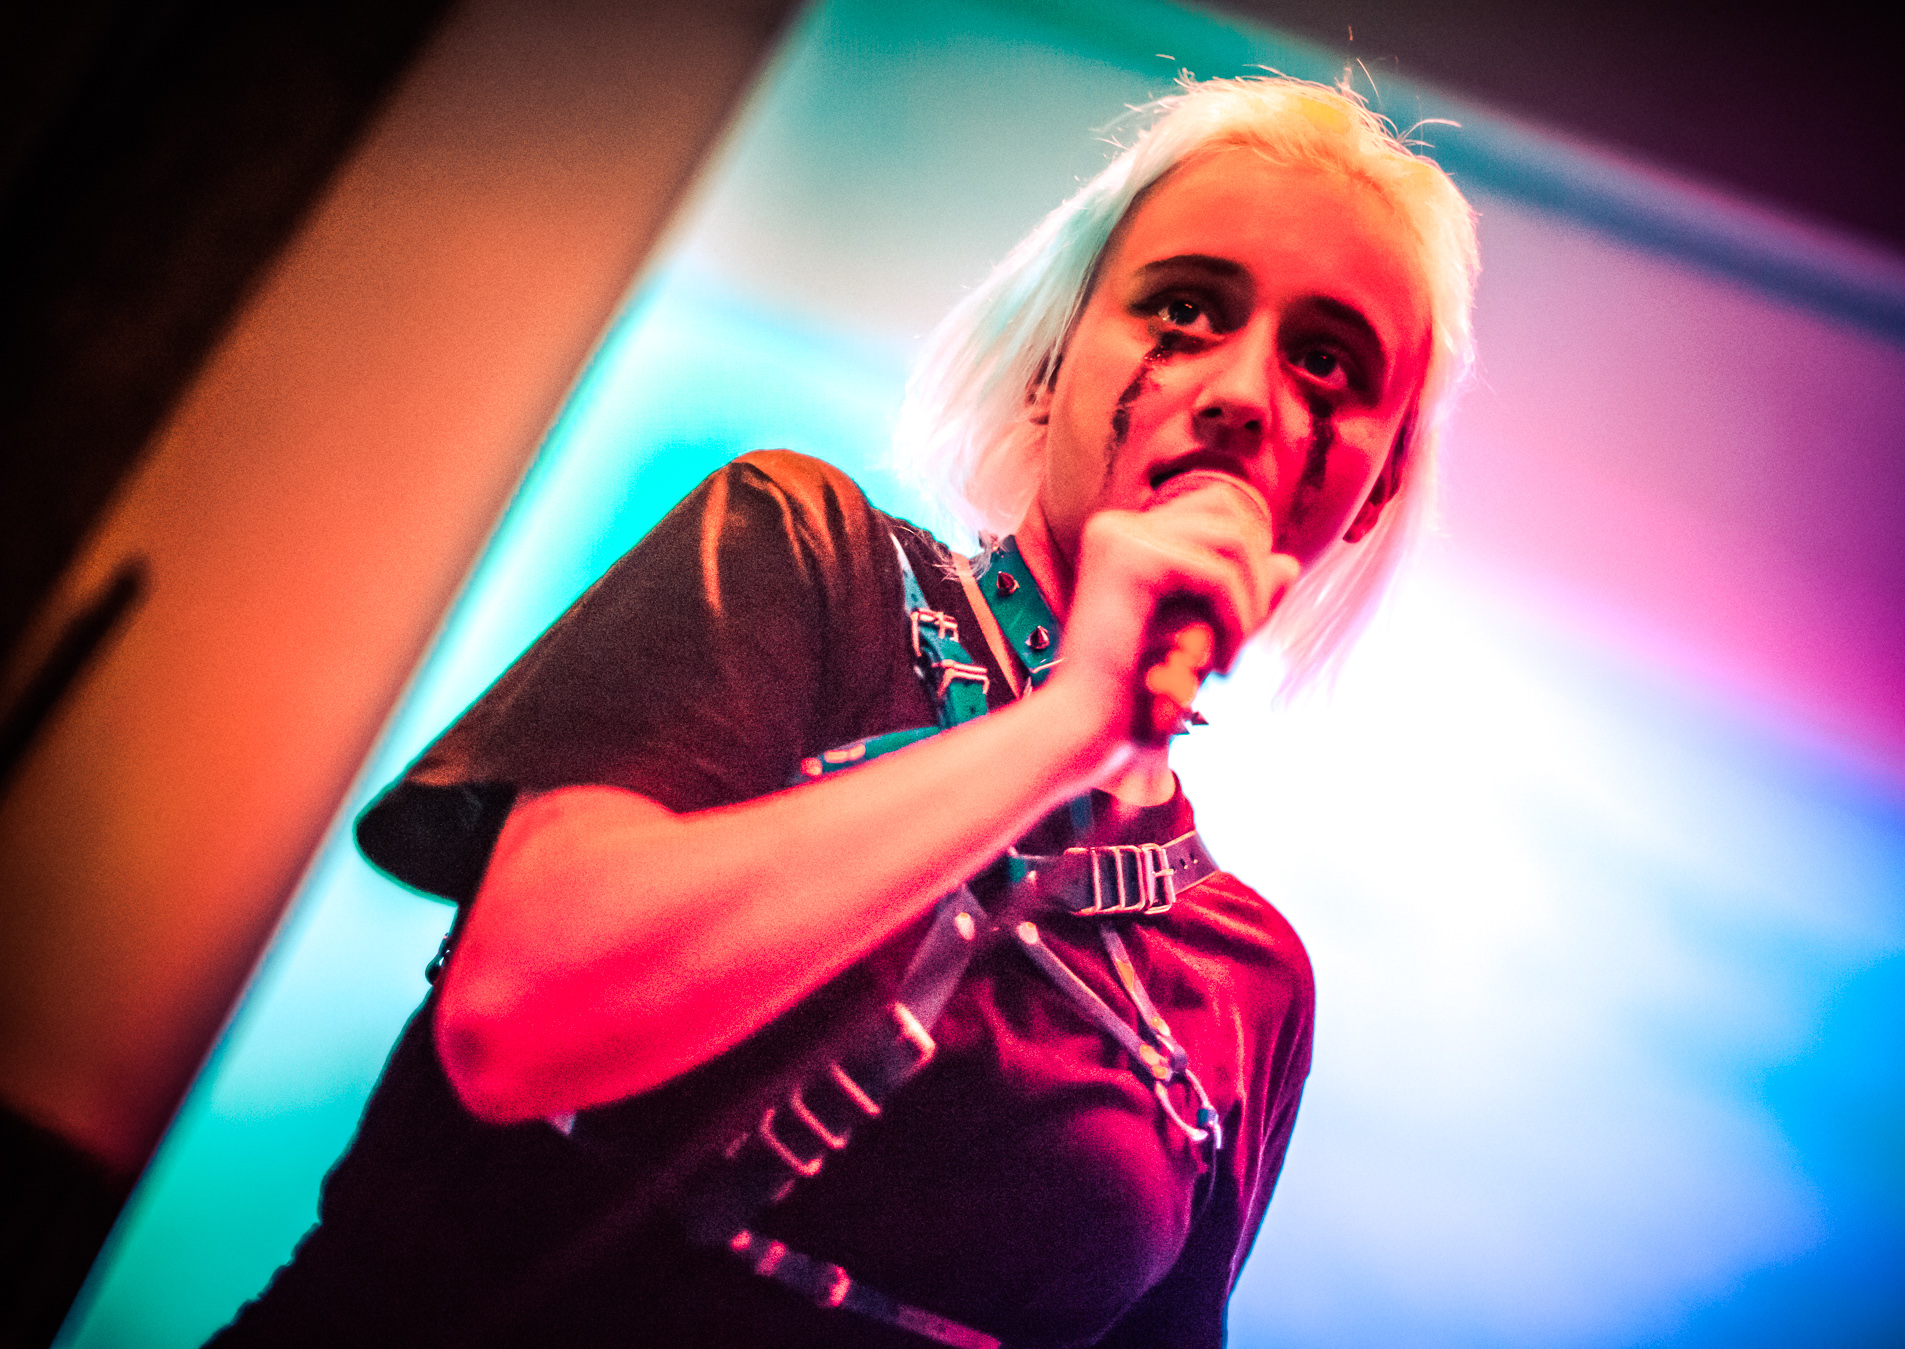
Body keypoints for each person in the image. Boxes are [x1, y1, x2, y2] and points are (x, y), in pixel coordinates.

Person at [211, 74, 1478, 1348]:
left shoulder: (1250, 982)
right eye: (1185, 308)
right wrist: (1071, 722)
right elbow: (515, 1023)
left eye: (1325, 360)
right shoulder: (805, 558)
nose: (1242, 392)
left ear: (1371, 488)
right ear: (1051, 365)